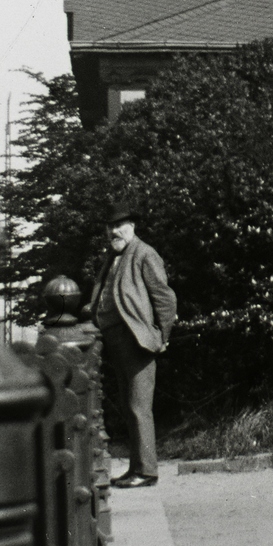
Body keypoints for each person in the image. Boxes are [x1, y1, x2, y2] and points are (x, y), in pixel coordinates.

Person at [91, 202, 177, 487]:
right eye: (110, 226)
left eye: (120, 225)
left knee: (139, 407)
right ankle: (136, 468)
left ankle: (147, 471)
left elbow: (165, 299)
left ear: (132, 226)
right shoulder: (113, 256)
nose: (114, 231)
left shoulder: (144, 253)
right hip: (115, 340)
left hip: (138, 342)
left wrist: (161, 336)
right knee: (129, 407)